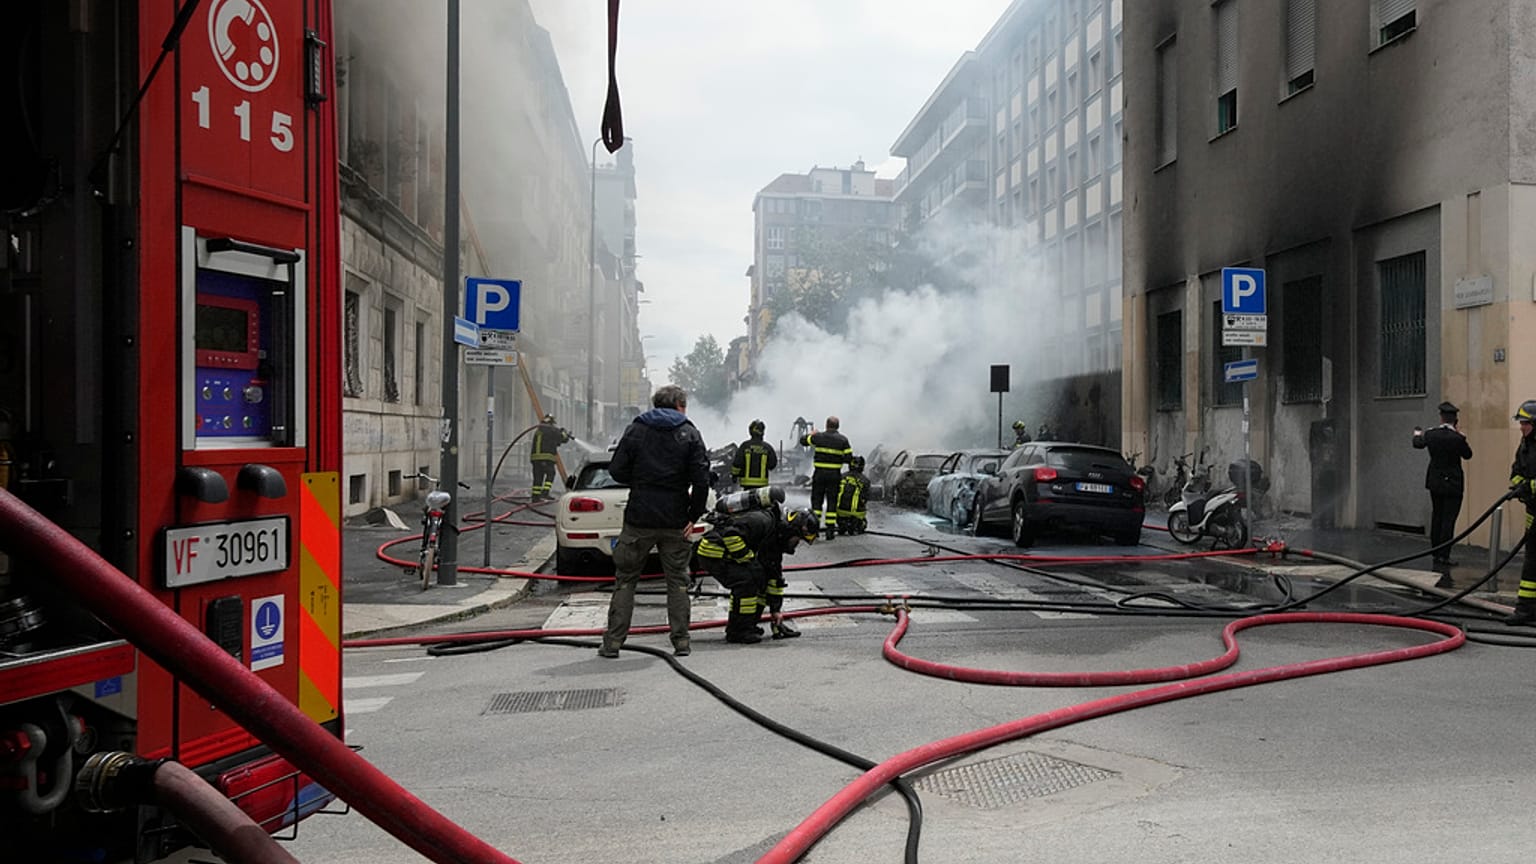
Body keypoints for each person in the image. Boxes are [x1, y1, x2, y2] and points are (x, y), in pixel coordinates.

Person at [600, 386, 711, 657]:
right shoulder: (689, 433)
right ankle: (681, 642)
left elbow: (616, 470)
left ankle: (613, 644)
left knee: (626, 579)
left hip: (639, 517)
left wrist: (641, 482)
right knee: (678, 582)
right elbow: (701, 480)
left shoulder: (636, 430)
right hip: (675, 518)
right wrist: (692, 516)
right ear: (678, 405)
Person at [695, 499, 819, 643]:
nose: (796, 544)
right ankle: (738, 631)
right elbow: (731, 536)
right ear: (792, 530)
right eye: (798, 539)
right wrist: (749, 561)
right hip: (713, 552)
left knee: (761, 577)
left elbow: (774, 576)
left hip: (727, 554)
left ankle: (748, 625)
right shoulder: (762, 521)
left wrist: (775, 611)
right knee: (747, 581)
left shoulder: (775, 538)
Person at [1411, 401, 1472, 567]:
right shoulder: (1457, 438)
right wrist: (1462, 436)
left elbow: (1417, 443)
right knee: (1448, 519)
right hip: (1453, 483)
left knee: (1437, 516)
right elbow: (1468, 455)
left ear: (1441, 418)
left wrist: (1417, 433)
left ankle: (1435, 552)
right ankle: (1445, 555)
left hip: (1435, 482)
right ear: (1455, 420)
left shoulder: (1431, 434)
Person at [1504, 400, 1536, 625]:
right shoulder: (1525, 445)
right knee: (1532, 563)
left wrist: (1530, 486)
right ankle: (1526, 610)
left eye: (1525, 423)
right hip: (1533, 513)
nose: (1521, 427)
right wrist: (1518, 485)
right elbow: (1515, 471)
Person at [800, 416, 852, 540]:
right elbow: (848, 458)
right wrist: (837, 458)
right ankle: (830, 531)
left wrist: (811, 434)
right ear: (837, 426)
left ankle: (814, 529)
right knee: (832, 502)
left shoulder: (818, 437)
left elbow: (803, 441)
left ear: (826, 425)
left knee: (817, 501)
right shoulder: (843, 440)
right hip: (834, 475)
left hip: (819, 474)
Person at [529, 413, 570, 501]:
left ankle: (535, 497)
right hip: (546, 458)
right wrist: (564, 433)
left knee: (538, 477)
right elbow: (563, 438)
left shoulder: (539, 430)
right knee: (551, 474)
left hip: (535, 459)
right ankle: (545, 492)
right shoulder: (551, 430)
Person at [731, 419, 777, 490]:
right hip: (762, 485)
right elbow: (772, 465)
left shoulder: (745, 446)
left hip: (747, 485)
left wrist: (734, 475)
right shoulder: (767, 447)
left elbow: (737, 463)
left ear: (751, 431)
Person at [835, 455, 870, 535]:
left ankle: (842, 523)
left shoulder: (841, 476)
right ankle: (858, 524)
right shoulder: (865, 480)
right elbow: (866, 497)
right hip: (857, 513)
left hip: (840, 511)